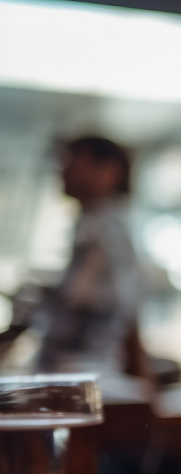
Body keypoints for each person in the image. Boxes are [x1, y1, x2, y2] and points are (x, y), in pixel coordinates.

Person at [25, 136, 141, 374]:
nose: (63, 171)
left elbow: (89, 301)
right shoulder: (95, 222)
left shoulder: (104, 227)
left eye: (74, 162)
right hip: (80, 368)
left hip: (83, 369)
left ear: (109, 170)